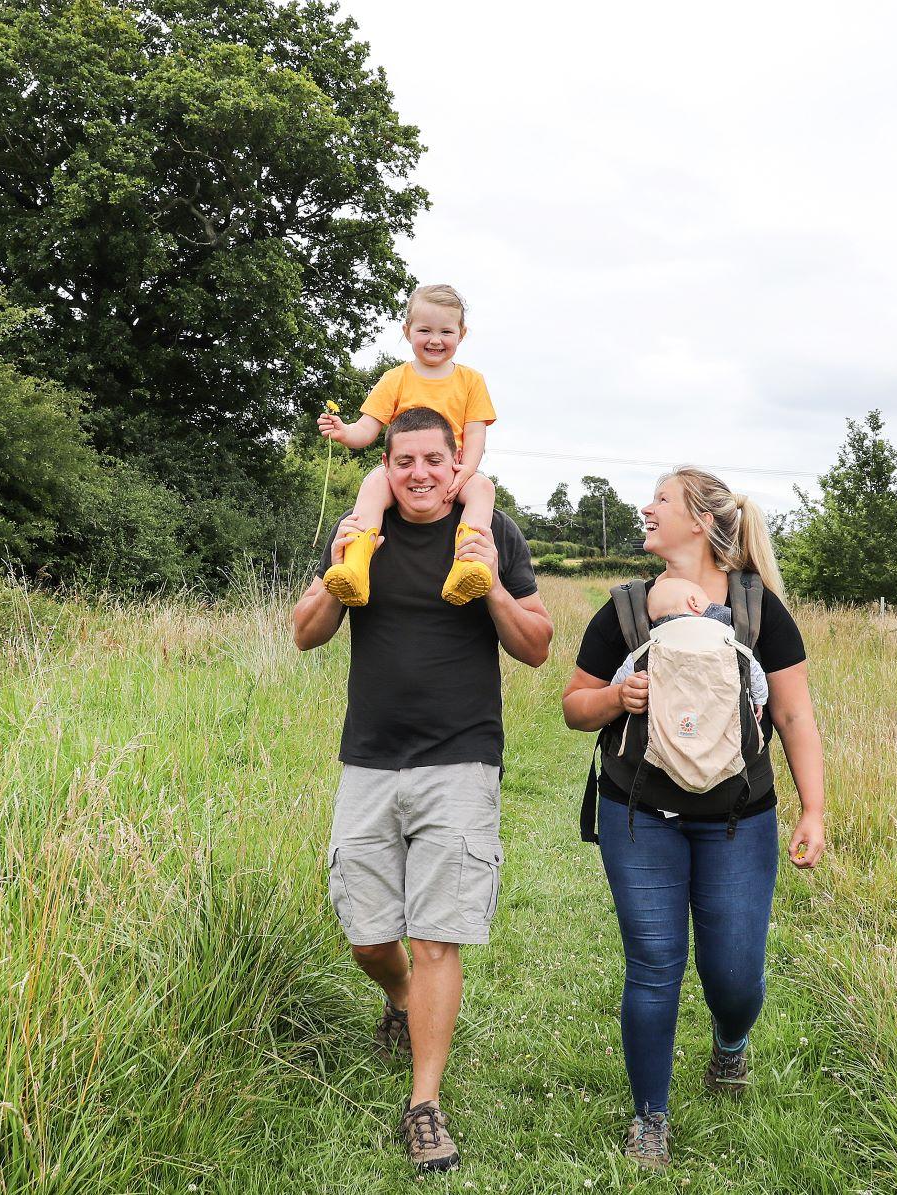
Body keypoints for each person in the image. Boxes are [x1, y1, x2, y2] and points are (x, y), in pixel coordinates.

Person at [292, 407, 552, 1175]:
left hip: (460, 758)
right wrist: (344, 566)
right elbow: (304, 631)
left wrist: (495, 591)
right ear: (388, 466)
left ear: (454, 464)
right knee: (368, 936)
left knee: (438, 931)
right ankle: (400, 997)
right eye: (403, 461)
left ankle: (424, 1103)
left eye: (432, 461)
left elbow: (535, 647)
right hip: (369, 761)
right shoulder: (360, 529)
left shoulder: (489, 532)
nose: (418, 474)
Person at [560, 467, 827, 1171]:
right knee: (653, 964)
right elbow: (573, 705)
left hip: (739, 816)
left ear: (701, 523)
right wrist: (620, 697)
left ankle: (729, 1044)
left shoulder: (757, 609)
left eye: (660, 500)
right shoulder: (623, 610)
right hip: (637, 810)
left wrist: (814, 809)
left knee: (733, 976)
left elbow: (795, 714)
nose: (644, 508)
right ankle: (649, 1116)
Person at [316, 283, 499, 607]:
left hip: (454, 468)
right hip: (404, 470)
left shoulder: (471, 380)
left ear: (462, 333)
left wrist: (465, 471)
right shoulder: (394, 378)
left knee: (483, 489)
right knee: (373, 483)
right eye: (424, 330)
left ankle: (468, 566)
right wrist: (345, 432)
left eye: (446, 331)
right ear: (407, 330)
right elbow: (368, 429)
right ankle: (355, 567)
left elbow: (474, 434)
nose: (435, 340)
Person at [608, 575, 768, 724]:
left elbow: (625, 674)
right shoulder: (726, 635)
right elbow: (751, 667)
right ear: (694, 603)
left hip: (669, 723)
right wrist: (759, 698)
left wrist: (619, 691)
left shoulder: (651, 644)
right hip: (717, 721)